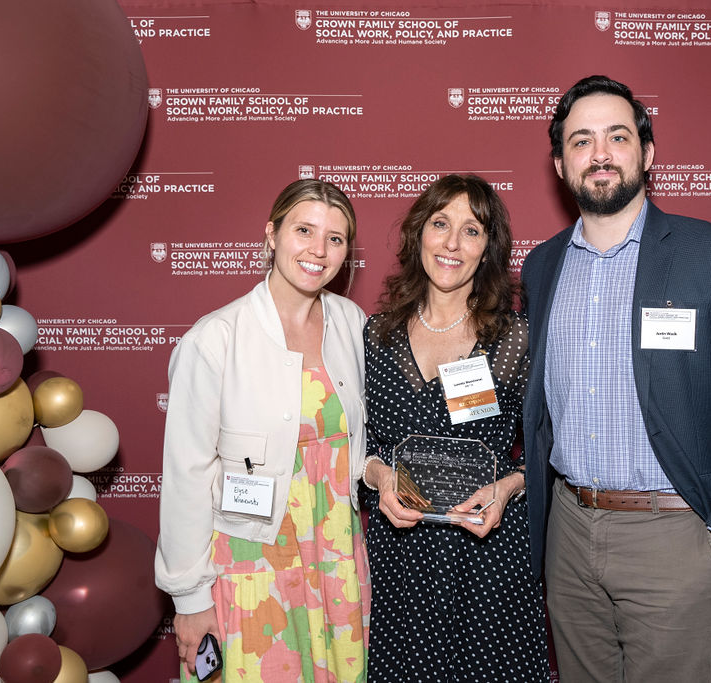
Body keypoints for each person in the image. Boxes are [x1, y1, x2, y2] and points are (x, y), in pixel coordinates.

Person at [521, 75, 711, 682]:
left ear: (646, 154)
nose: (600, 154)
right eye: (581, 140)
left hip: (675, 535)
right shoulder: (541, 268)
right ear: (561, 163)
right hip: (567, 530)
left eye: (617, 137)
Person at [155, 179, 370, 682]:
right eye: (304, 230)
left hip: (336, 556)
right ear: (271, 235)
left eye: (335, 239)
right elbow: (185, 475)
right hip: (252, 560)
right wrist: (189, 599)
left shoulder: (353, 324)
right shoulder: (215, 340)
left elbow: (356, 450)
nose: (318, 250)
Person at [361, 174, 550, 682]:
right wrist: (379, 478)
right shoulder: (375, 336)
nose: (451, 243)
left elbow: (550, 447)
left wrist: (509, 487)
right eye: (440, 224)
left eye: (471, 230)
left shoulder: (515, 339)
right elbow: (364, 447)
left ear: (488, 248)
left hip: (486, 557)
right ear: (418, 233)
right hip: (399, 559)